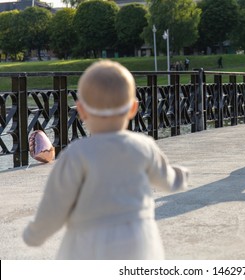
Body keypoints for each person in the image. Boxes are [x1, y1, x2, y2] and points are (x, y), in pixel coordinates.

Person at [23, 60, 189, 259]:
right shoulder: (144, 146)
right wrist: (181, 176)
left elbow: (55, 203)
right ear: (133, 108)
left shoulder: (76, 154)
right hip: (138, 241)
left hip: (87, 242)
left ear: (81, 111)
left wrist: (35, 234)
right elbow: (167, 179)